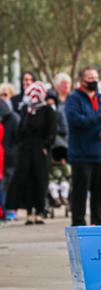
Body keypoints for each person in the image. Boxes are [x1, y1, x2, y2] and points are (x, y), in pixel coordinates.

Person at [65, 66, 101, 226]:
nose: (94, 81)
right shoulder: (74, 98)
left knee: (100, 194)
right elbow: (75, 120)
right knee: (80, 194)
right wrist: (97, 118)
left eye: (96, 77)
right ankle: (79, 225)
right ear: (82, 80)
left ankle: (98, 223)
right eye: (90, 78)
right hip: (81, 155)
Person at [5, 82, 56, 224]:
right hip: (26, 152)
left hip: (41, 152)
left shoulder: (47, 110)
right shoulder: (26, 110)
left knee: (40, 181)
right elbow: (20, 130)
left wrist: (46, 146)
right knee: (27, 181)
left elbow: (52, 131)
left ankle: (40, 212)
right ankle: (29, 212)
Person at [0, 84, 20, 222]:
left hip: (9, 157)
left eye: (6, 95)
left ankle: (9, 210)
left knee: (7, 185)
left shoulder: (13, 118)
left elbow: (18, 139)